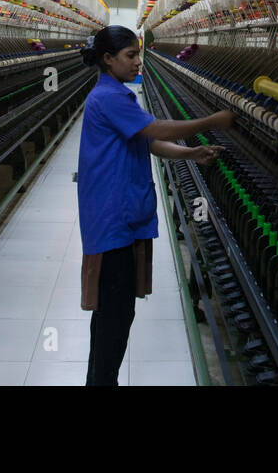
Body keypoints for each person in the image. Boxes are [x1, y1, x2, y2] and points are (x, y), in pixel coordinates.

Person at [76, 25, 233, 386]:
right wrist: (213, 122)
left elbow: (146, 141)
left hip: (118, 215)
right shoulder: (109, 97)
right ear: (108, 59)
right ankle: (103, 382)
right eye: (130, 55)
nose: (137, 62)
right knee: (114, 314)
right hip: (112, 218)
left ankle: (99, 381)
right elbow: (157, 130)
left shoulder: (115, 94)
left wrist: (190, 153)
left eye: (138, 54)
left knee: (110, 312)